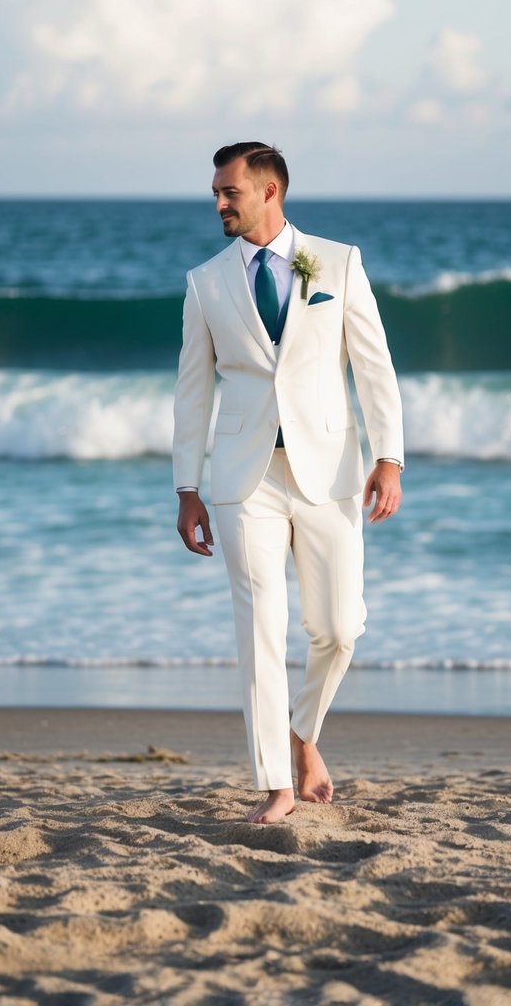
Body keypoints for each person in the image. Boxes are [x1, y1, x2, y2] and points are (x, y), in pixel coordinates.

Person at [173, 142, 404, 824]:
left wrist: (389, 456)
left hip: (328, 469)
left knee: (338, 628)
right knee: (260, 627)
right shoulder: (205, 282)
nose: (218, 202)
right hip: (244, 479)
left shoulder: (334, 263)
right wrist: (186, 486)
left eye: (228, 192)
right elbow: (192, 393)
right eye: (215, 191)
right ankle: (275, 782)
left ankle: (302, 734)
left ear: (268, 191)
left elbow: (374, 365)